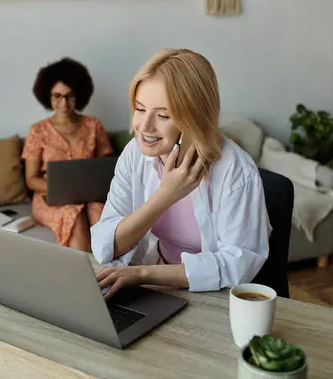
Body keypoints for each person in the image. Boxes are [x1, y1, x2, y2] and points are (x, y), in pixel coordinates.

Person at [90, 49, 271, 300]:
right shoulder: (135, 154)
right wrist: (165, 195)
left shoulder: (236, 170)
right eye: (140, 109)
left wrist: (144, 274)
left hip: (213, 295)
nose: (144, 126)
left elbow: (237, 266)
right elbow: (106, 245)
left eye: (163, 115)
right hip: (154, 288)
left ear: (195, 118)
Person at [22, 57, 113, 251]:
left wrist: (88, 190)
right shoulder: (37, 131)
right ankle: (87, 276)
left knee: (100, 212)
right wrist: (63, 190)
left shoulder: (93, 126)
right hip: (50, 198)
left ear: (78, 96)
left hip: (89, 196)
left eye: (69, 96)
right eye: (57, 96)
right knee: (73, 214)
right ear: (48, 96)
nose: (63, 103)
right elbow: (31, 179)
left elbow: (105, 169)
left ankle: (113, 272)